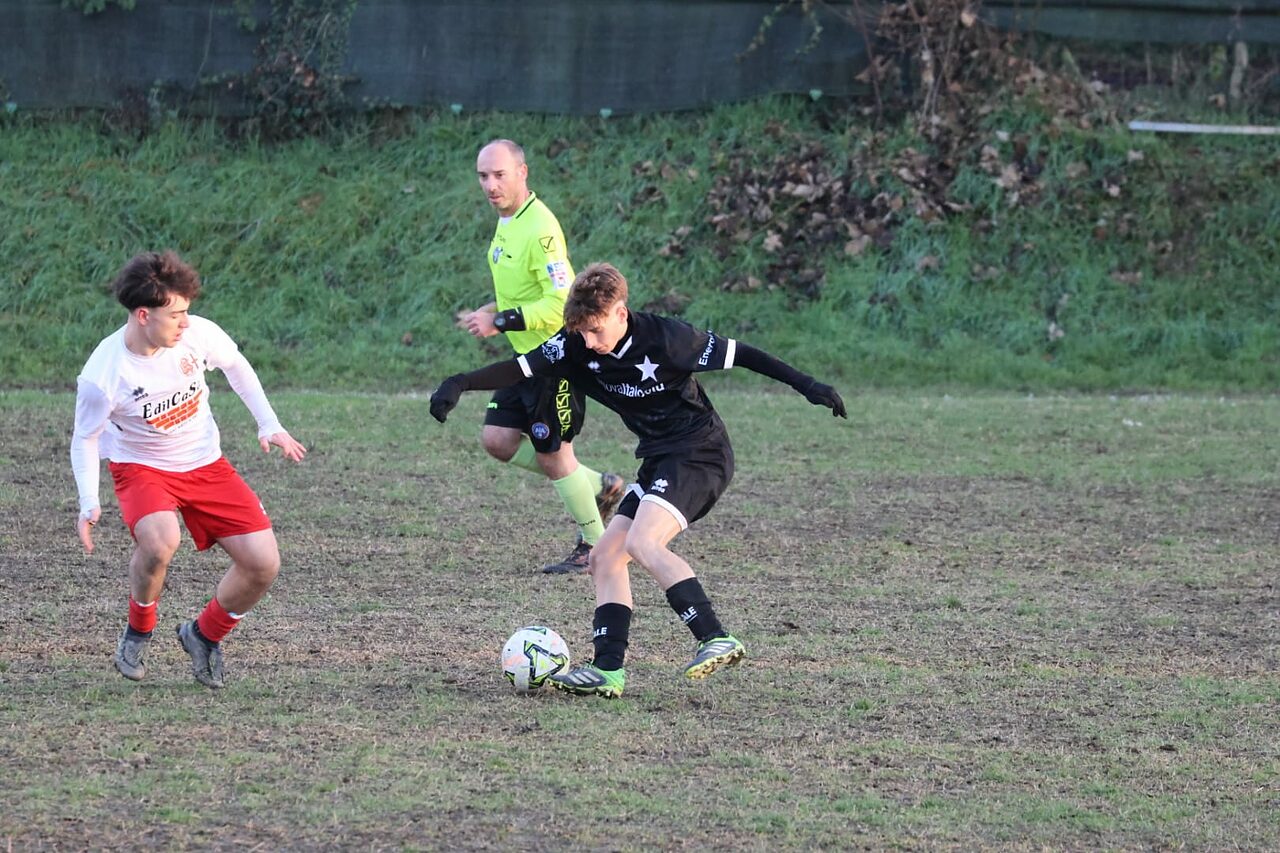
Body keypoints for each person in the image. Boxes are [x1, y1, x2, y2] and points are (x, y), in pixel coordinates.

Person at [430, 262, 846, 697]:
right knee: (604, 557)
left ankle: (715, 637)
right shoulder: (576, 344)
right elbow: (521, 368)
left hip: (699, 455)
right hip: (657, 459)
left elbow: (742, 353)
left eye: (596, 331)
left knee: (642, 542)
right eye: (581, 333)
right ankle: (608, 670)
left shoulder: (667, 339)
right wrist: (460, 383)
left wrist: (807, 385)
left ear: (621, 313)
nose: (589, 343)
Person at [71, 250, 307, 689]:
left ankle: (203, 635)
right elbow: (85, 438)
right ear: (144, 315)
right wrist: (89, 501)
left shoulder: (197, 334)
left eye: (186, 312)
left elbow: (236, 365)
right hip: (142, 468)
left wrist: (268, 423)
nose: (185, 323)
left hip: (205, 463)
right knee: (161, 542)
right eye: (176, 314)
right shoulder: (104, 375)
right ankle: (139, 630)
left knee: (263, 564)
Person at [454, 138, 623, 574]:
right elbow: (522, 289)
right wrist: (491, 310)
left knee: (553, 453)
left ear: (522, 173)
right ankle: (598, 486)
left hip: (555, 359)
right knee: (498, 440)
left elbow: (561, 301)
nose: (490, 185)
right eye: (483, 176)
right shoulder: (508, 221)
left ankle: (594, 546)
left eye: (499, 175)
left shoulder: (541, 228)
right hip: (523, 358)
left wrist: (503, 320)